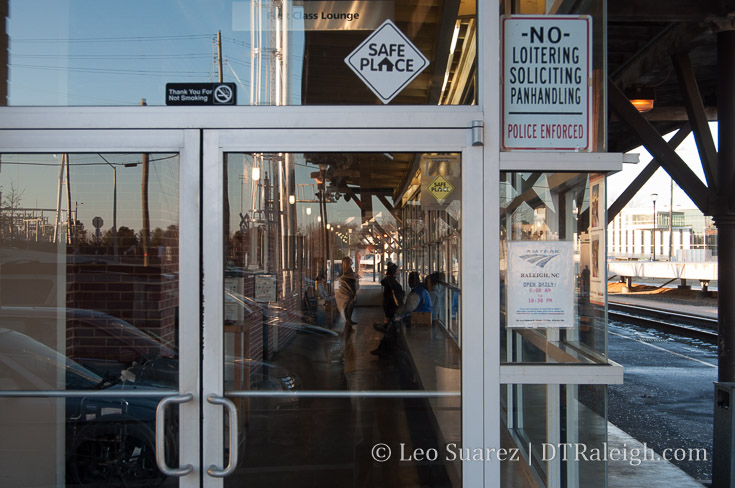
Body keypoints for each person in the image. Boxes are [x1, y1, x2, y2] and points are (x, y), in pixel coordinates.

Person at [335, 256, 358, 334]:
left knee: (348, 306)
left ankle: (348, 323)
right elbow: (351, 284)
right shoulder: (347, 272)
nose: (352, 262)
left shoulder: (344, 271)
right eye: (350, 261)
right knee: (348, 306)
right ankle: (348, 322)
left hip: (344, 292)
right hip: (346, 292)